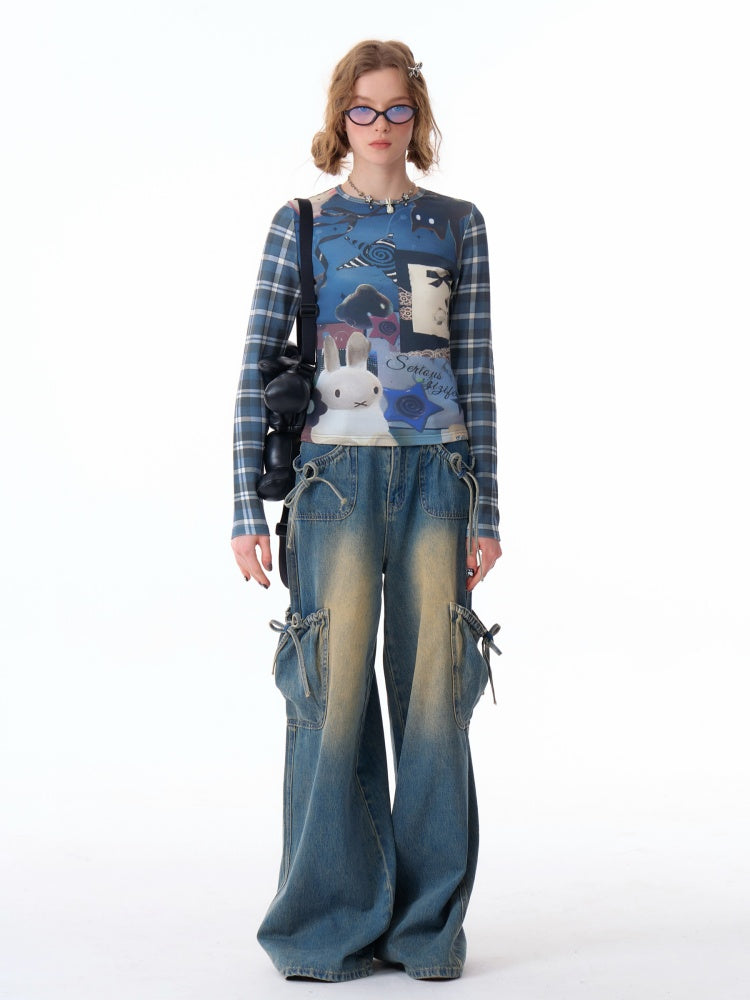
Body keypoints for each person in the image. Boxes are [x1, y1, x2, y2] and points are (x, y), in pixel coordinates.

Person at [231, 39, 502, 982]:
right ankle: (325, 928)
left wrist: (488, 511)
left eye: (395, 110)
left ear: (415, 118)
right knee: (329, 698)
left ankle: (426, 931)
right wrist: (243, 509)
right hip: (334, 483)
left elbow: (477, 369)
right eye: (363, 109)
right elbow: (257, 364)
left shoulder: (458, 224)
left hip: (439, 478)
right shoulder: (303, 222)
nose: (379, 126)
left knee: (436, 702)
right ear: (339, 118)